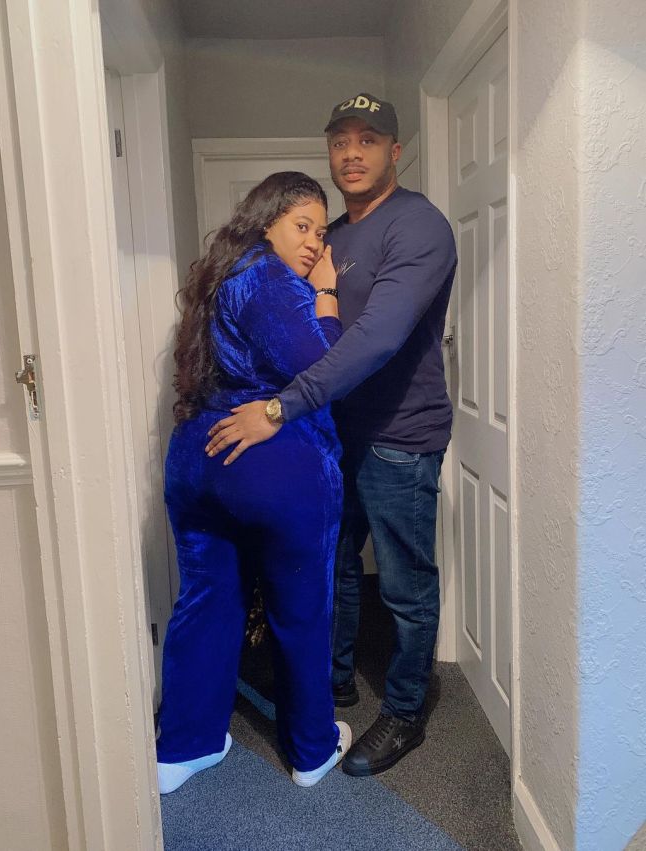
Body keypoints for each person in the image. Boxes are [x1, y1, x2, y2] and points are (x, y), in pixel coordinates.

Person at [205, 93, 457, 777]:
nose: (351, 153)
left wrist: (278, 410)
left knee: (404, 585)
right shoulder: (331, 235)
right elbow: (299, 327)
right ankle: (335, 681)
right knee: (336, 566)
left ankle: (405, 711)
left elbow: (375, 338)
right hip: (333, 433)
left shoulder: (419, 226)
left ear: (394, 152)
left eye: (367, 140)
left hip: (400, 436)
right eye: (340, 140)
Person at [156, 171, 352, 794]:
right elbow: (323, 365)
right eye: (303, 226)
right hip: (273, 464)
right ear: (268, 222)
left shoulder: (216, 278)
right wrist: (326, 295)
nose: (315, 243)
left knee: (206, 600)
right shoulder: (269, 276)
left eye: (321, 233)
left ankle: (183, 747)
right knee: (302, 608)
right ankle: (312, 750)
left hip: (197, 459)